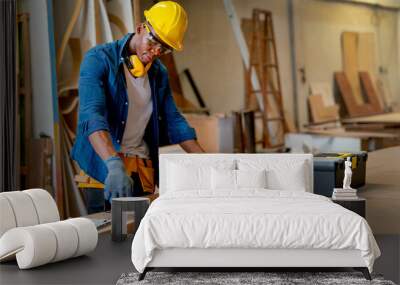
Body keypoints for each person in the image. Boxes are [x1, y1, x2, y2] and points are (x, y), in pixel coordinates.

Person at [71, 1, 204, 213]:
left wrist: (207, 163)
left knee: (141, 236)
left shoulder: (158, 73)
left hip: (141, 168)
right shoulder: (99, 59)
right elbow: (91, 115)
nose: (156, 52)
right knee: (108, 238)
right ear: (141, 28)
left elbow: (174, 121)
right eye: (153, 42)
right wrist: (113, 165)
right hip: (104, 169)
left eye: (164, 49)